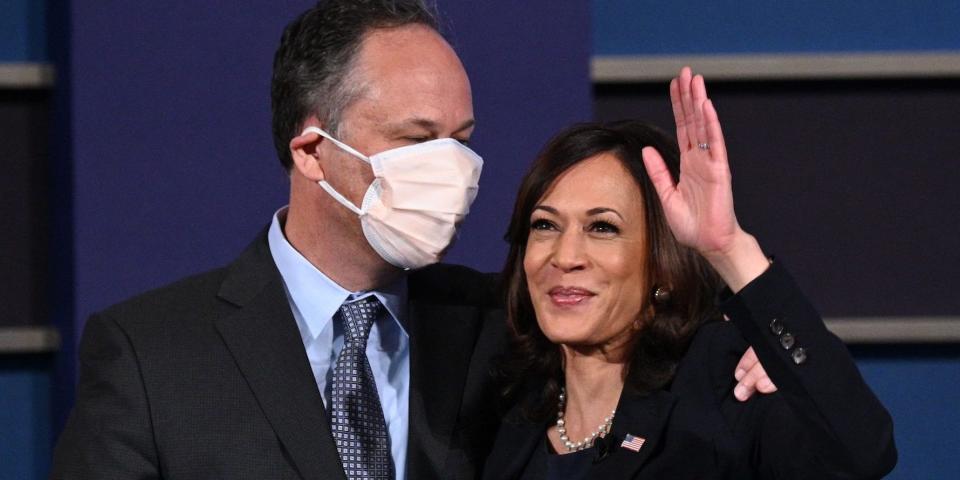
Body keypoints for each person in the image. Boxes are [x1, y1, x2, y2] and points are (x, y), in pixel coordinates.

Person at [50, 2, 775, 479]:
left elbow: (661, 368)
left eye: (462, 140)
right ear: (311, 152)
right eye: (418, 139)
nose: (453, 170)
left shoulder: (511, 327)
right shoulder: (150, 354)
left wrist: (749, 342)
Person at [482, 68, 896, 479]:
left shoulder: (725, 378)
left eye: (602, 228)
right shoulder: (506, 408)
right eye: (545, 225)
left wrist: (728, 247)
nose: (565, 256)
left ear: (661, 262)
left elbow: (861, 455)